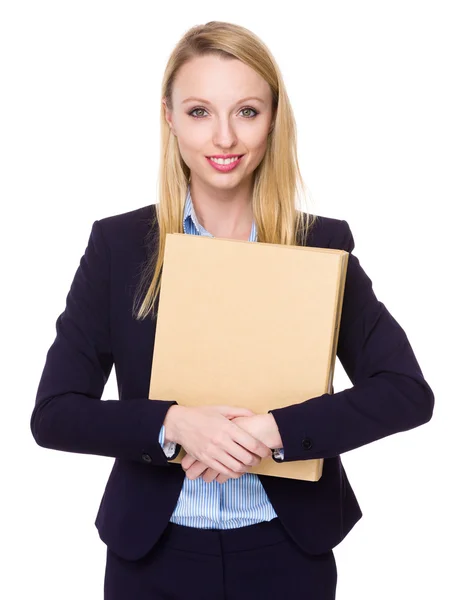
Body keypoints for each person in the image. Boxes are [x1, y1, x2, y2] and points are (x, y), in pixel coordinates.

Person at [30, 20, 435, 600]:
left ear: (273, 119)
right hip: (153, 556)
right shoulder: (118, 248)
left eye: (246, 111)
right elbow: (54, 413)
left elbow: (404, 391)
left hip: (287, 554)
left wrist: (276, 432)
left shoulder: (319, 246)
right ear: (169, 118)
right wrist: (172, 424)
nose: (224, 137)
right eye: (199, 111)